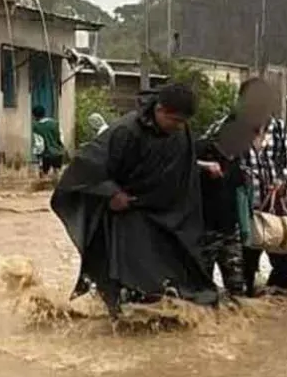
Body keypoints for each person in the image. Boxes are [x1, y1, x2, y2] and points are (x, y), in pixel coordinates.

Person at [50, 84, 217, 318]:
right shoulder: (125, 131)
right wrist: (111, 193)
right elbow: (85, 167)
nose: (179, 127)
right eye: (175, 120)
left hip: (166, 215)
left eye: (183, 122)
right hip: (126, 214)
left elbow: (183, 172)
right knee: (129, 277)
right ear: (159, 110)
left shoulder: (181, 132)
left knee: (180, 272)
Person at [204, 78, 287, 297]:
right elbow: (202, 156)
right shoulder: (224, 128)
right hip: (240, 215)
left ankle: (274, 298)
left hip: (274, 212)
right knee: (244, 272)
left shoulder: (278, 128)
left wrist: (282, 183)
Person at [195, 119, 256, 297]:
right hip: (205, 231)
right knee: (201, 287)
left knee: (237, 287)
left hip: (230, 230)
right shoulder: (202, 148)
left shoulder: (238, 157)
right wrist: (204, 166)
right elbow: (177, 162)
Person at [32, 105, 66, 178]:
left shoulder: (36, 127)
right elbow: (61, 137)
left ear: (35, 116)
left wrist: (37, 153)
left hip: (46, 154)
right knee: (57, 173)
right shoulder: (55, 123)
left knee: (44, 174)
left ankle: (43, 187)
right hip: (58, 153)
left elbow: (39, 144)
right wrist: (61, 148)